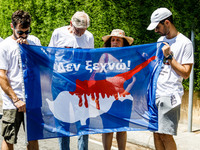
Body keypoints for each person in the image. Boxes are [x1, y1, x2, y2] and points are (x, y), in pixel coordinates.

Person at [147, 8, 194, 150]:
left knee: (166, 134)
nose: (156, 30)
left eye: (158, 26)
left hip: (171, 94)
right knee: (156, 133)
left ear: (167, 22)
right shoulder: (160, 40)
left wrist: (169, 57)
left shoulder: (185, 43)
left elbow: (186, 73)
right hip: (156, 93)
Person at [48, 11, 94, 150]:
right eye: (78, 30)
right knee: (62, 120)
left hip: (80, 83)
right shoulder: (58, 33)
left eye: (83, 30)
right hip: (60, 82)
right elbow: (50, 55)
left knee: (83, 120)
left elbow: (90, 60)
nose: (81, 33)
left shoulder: (89, 37)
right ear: (70, 24)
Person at [0, 10, 41, 150]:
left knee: (34, 137)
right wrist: (16, 100)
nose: (24, 35)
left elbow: (42, 64)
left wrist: (28, 47)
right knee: (9, 138)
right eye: (20, 32)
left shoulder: (34, 41)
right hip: (13, 102)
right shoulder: (5, 46)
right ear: (12, 26)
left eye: (27, 31)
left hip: (32, 99)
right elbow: (2, 76)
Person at [101, 29, 134, 150]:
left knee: (122, 129)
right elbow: (96, 73)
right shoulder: (104, 56)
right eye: (112, 40)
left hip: (124, 99)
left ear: (123, 43)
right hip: (107, 98)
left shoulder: (130, 58)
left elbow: (135, 77)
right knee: (107, 129)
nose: (114, 42)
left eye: (118, 40)